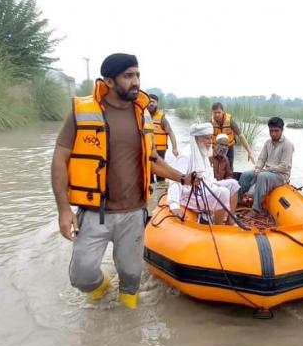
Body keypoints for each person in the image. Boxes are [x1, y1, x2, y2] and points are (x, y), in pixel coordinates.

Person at [51, 53, 199, 310]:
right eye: (128, 76)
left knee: (131, 278)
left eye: (138, 74)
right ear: (108, 81)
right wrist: (64, 209)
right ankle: (102, 289)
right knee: (81, 276)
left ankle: (129, 328)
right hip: (95, 212)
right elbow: (59, 158)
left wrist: (183, 178)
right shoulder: (81, 112)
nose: (136, 81)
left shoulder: (143, 116)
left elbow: (152, 160)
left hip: (133, 213)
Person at [167, 123, 240, 225]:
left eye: (211, 138)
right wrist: (174, 205)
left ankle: (230, 220)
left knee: (234, 184)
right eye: (207, 139)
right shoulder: (186, 155)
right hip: (189, 195)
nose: (210, 142)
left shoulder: (203, 152)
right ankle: (218, 227)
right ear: (196, 139)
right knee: (223, 192)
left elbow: (208, 177)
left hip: (206, 186)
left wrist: (214, 186)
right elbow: (175, 180)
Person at [239, 117, 294, 214]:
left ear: (282, 130)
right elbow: (261, 159)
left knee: (263, 176)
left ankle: (256, 209)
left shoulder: (287, 145)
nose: (273, 133)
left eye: (276, 131)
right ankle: (239, 202)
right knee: (245, 175)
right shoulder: (268, 142)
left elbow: (284, 166)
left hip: (281, 175)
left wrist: (267, 170)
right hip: (267, 172)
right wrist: (257, 169)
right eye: (271, 131)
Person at [211, 102, 255, 170]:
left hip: (228, 148)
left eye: (219, 112)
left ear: (223, 112)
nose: (217, 115)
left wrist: (249, 152)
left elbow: (241, 136)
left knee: (229, 168)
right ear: (212, 113)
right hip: (215, 149)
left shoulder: (230, 121)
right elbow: (205, 138)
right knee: (215, 168)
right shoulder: (210, 123)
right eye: (215, 112)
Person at [148, 93, 179, 183]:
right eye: (149, 101)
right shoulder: (143, 116)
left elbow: (171, 133)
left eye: (153, 102)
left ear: (157, 103)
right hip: (148, 150)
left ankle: (162, 192)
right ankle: (151, 194)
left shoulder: (162, 118)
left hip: (159, 151)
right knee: (148, 173)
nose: (151, 103)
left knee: (160, 173)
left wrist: (175, 148)